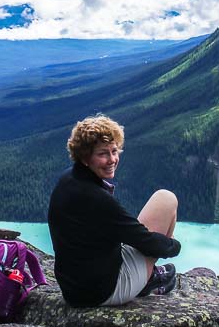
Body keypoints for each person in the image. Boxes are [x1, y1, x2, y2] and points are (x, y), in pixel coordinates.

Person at [48, 115, 181, 307]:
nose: (112, 159)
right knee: (167, 199)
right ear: (85, 157)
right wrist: (174, 246)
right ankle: (146, 280)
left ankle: (145, 277)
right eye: (103, 154)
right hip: (103, 292)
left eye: (114, 151)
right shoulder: (96, 198)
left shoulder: (69, 179)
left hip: (73, 289)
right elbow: (147, 242)